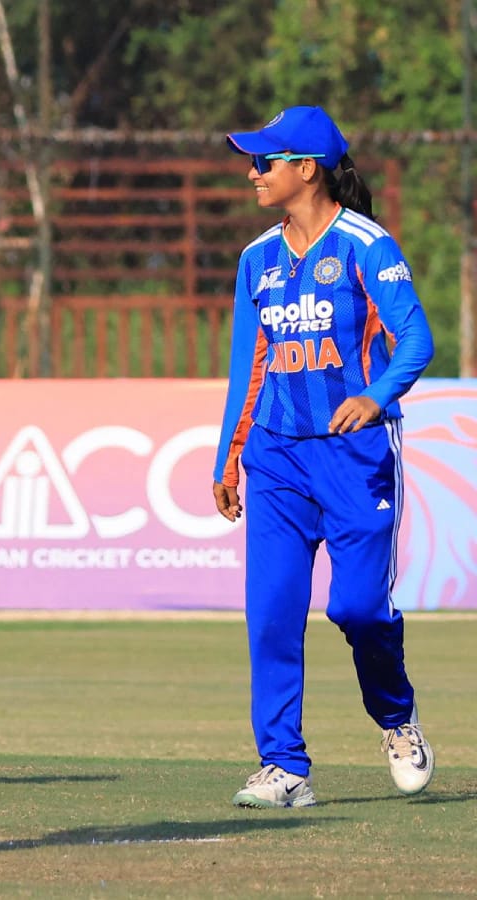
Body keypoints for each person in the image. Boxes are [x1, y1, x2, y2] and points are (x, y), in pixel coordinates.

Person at [216, 106, 435, 809]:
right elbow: (248, 367)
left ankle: (396, 717)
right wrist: (228, 459)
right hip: (277, 459)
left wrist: (375, 396)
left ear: (306, 168)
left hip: (354, 455)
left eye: (265, 162)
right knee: (272, 614)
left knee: (359, 609)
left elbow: (416, 339)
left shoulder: (368, 245)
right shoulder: (256, 259)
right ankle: (283, 765)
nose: (253, 173)